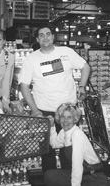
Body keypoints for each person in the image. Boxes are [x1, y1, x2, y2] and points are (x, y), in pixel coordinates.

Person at [19, 24, 91, 171]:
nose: (45, 37)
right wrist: (34, 110)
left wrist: (82, 86)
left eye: (48, 34)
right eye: (41, 35)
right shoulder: (31, 59)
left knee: (69, 150)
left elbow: (85, 67)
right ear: (37, 39)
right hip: (45, 112)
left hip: (68, 111)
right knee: (47, 152)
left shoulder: (66, 52)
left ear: (53, 36)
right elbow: (24, 86)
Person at [44, 103, 108, 186]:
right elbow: (54, 144)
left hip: (94, 178)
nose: (65, 121)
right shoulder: (64, 132)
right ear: (59, 119)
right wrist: (52, 126)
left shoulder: (77, 134)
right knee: (50, 175)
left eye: (69, 117)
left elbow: (77, 166)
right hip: (84, 175)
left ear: (75, 119)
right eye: (63, 117)